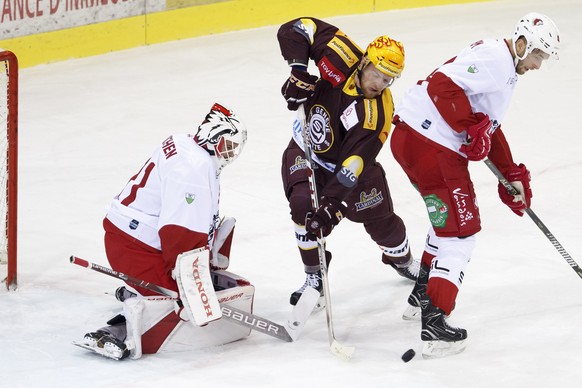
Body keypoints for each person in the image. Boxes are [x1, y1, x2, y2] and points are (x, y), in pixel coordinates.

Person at [390, 12, 560, 358]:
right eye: (538, 55)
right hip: (432, 145)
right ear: (523, 42)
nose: (539, 65)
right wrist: (470, 126)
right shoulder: (497, 60)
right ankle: (435, 322)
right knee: (461, 233)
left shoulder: (502, 65)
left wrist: (510, 172)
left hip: (413, 140)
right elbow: (441, 86)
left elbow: (487, 125)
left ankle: (422, 294)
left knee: (446, 223)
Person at [75, 103, 253, 360]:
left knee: (185, 289)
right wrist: (190, 289)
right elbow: (179, 235)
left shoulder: (186, 144)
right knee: (176, 302)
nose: (232, 153)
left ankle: (134, 289)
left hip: (133, 235)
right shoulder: (194, 169)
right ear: (212, 138)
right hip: (133, 245)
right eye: (228, 145)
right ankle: (117, 330)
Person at [277, 17, 417, 307]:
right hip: (306, 149)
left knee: (382, 224)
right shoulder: (340, 54)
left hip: (350, 172)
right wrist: (299, 73)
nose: (379, 83)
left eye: (388, 79)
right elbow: (297, 28)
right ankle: (314, 276)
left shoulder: (376, 115)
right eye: (377, 73)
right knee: (302, 207)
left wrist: (332, 206)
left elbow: (353, 166)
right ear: (365, 61)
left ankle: (401, 257)